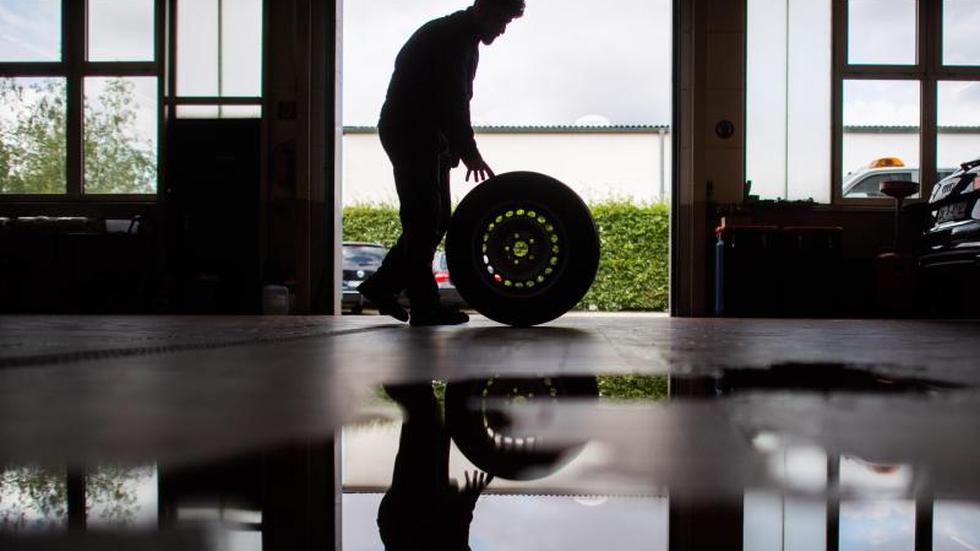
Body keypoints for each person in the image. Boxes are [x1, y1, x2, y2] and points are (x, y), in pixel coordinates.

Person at [357, 0, 525, 326]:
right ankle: (424, 307)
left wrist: (452, 148)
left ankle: (381, 285)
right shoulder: (452, 38)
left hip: (426, 136)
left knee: (435, 219)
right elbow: (452, 101)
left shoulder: (459, 38)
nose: (502, 30)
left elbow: (451, 103)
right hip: (411, 132)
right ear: (482, 8)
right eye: (501, 20)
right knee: (423, 221)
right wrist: (469, 151)